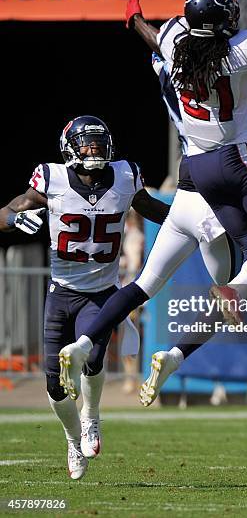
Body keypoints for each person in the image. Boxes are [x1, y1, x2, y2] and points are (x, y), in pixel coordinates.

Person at [57, 0, 247, 406]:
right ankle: (245, 311)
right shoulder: (238, 51)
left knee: (150, 281)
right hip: (231, 160)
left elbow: (167, 29)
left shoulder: (170, 46)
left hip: (193, 171)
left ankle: (88, 340)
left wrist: (139, 19)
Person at [0, 116, 170, 480]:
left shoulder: (126, 176)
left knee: (92, 359)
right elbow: (7, 211)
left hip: (102, 291)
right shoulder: (51, 178)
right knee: (54, 381)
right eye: (86, 143)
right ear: (70, 148)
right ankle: (73, 441)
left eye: (98, 143)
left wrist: (188, 220)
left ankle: (91, 417)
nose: (93, 149)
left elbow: (152, 209)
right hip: (61, 292)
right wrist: (15, 220)